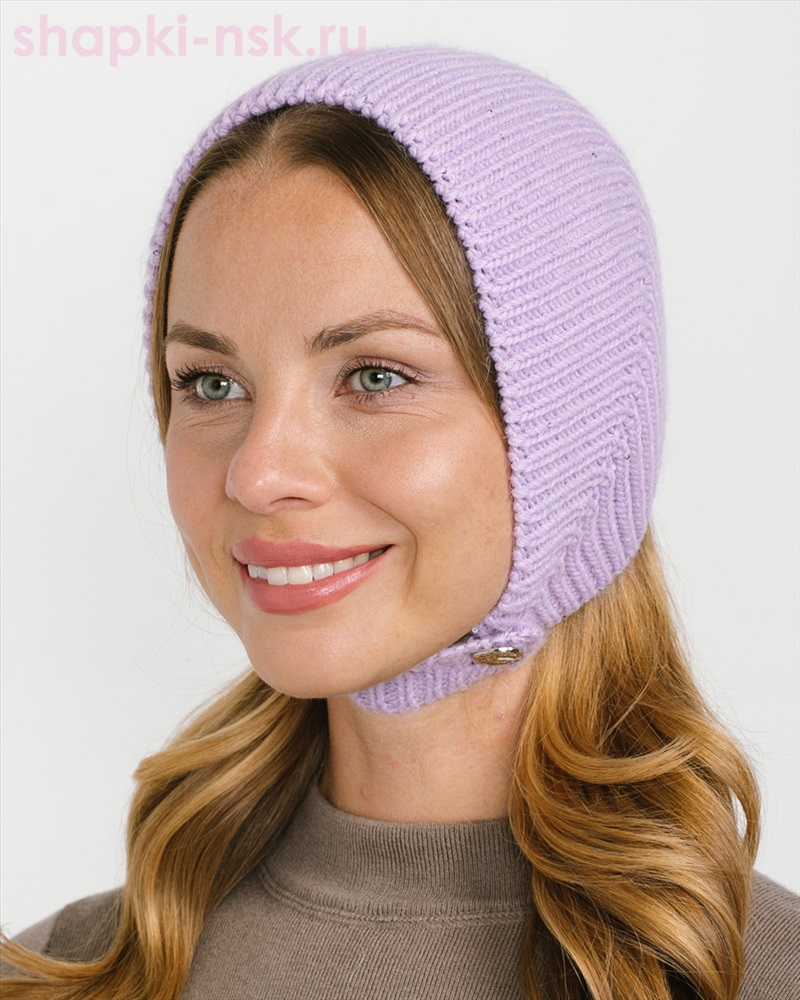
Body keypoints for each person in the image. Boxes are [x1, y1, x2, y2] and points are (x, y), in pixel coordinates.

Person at [1, 47, 797, 1000]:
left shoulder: (758, 974)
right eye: (210, 384)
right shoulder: (68, 971)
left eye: (375, 376)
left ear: (572, 428)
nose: (258, 473)